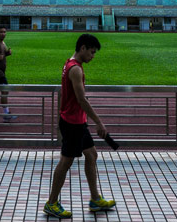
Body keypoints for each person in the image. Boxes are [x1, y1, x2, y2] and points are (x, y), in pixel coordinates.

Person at [43, 34, 116, 219]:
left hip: (77, 121)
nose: (93, 56)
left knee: (91, 154)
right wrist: (99, 122)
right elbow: (81, 99)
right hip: (72, 123)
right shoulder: (75, 69)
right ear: (83, 48)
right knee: (65, 162)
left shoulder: (70, 63)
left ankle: (95, 199)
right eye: (91, 52)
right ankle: (51, 203)